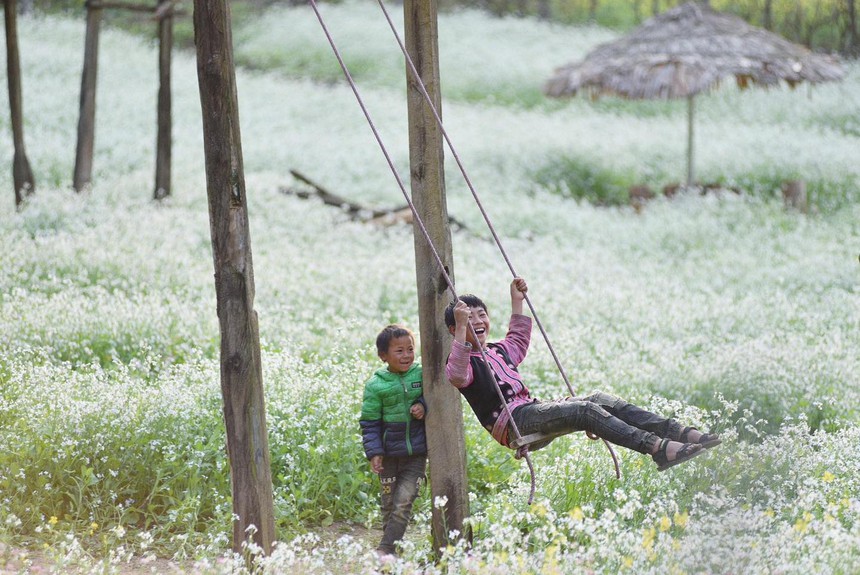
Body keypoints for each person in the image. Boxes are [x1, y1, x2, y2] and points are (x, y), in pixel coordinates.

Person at [444, 278, 721, 471]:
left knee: (600, 399)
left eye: (482, 315)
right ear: (455, 328)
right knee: (585, 410)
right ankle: (658, 448)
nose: (478, 322)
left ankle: (679, 433)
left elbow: (517, 339)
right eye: (470, 319)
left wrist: (516, 301)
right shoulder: (463, 360)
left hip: (532, 410)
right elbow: (457, 375)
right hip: (514, 422)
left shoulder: (498, 350)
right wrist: (460, 328)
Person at [359, 324, 428, 558]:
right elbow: (370, 423)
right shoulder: (376, 385)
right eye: (399, 351)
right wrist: (374, 452)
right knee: (389, 504)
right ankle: (392, 553)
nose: (407, 355)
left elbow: (435, 395)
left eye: (410, 349)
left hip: (416, 454)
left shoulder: (421, 374)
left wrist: (423, 406)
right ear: (383, 356)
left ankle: (385, 550)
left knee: (403, 503)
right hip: (388, 456)